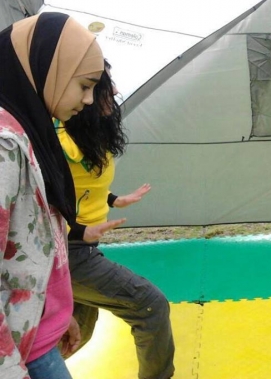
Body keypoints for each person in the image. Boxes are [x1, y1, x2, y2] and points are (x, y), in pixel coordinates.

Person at [0, 12, 108, 378]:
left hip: (36, 336)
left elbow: (32, 245)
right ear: (46, 68)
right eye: (85, 85)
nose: (90, 100)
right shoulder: (5, 145)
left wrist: (56, 315)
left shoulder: (30, 129)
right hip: (18, 355)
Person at [55, 60, 175, 379]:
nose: (116, 91)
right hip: (67, 252)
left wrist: (112, 199)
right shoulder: (55, 140)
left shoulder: (84, 134)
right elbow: (40, 204)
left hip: (78, 248)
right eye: (100, 87)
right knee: (150, 306)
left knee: (77, 331)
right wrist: (78, 230)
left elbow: (80, 184)